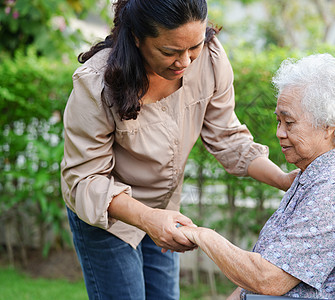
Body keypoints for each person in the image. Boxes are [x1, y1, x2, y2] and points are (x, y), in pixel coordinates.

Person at [60, 1, 297, 299]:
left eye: (193, 47)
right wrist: (147, 219)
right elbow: (85, 179)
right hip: (108, 214)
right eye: (169, 52)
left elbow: (227, 137)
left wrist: (282, 180)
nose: (184, 61)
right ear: (136, 37)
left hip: (164, 211)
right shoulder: (96, 82)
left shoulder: (210, 59)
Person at [179, 53, 335, 299]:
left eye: (289, 123)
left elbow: (267, 279)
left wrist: (202, 235)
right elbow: (257, 278)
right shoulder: (312, 177)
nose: (279, 132)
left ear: (328, 126)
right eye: (278, 121)